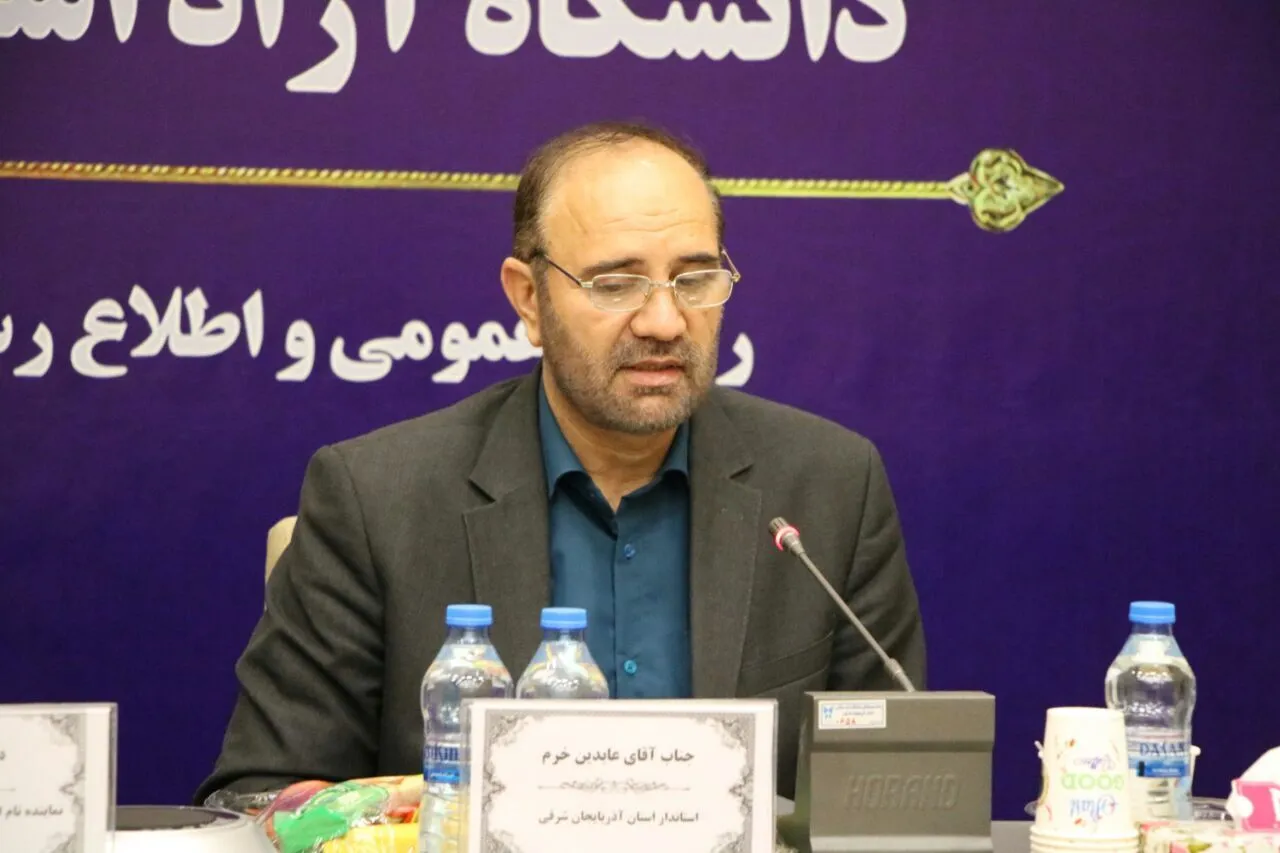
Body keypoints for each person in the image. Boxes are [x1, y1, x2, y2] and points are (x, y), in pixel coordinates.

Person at [196, 120, 926, 804]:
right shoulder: (377, 500)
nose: (665, 321)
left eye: (695, 278)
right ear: (529, 299)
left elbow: (893, 794)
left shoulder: (829, 487)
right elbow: (265, 794)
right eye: (616, 284)